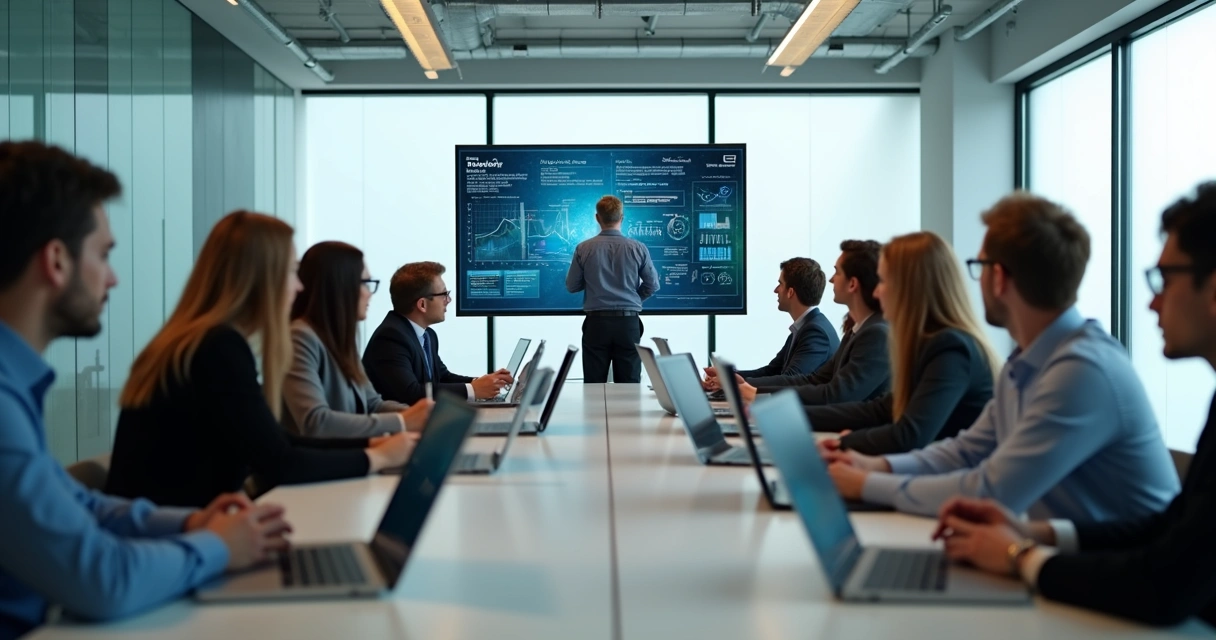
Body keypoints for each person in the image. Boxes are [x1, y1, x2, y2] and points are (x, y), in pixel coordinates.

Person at [0, 141, 291, 637]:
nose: (112, 278)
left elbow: (78, 505)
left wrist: (189, 524)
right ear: (56, 261)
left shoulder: (15, 387)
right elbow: (103, 579)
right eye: (103, 254)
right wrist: (220, 547)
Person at [933, 182, 1216, 628]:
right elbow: (1170, 529)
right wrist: (1034, 534)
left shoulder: (1083, 368)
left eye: (1165, 279)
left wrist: (1019, 556)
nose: (1151, 301)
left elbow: (1167, 584)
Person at [825, 193, 1180, 521]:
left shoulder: (1081, 370)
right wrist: (876, 467)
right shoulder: (1029, 362)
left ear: (998, 277)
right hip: (1081, 563)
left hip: (1122, 579)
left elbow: (992, 489)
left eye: (978, 267)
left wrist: (866, 484)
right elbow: (966, 451)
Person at [105, 212, 418, 509]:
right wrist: (378, 458)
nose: (298, 287)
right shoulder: (217, 349)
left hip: (180, 532)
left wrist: (369, 447)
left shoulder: (196, 342)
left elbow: (279, 441)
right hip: (175, 545)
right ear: (261, 279)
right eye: (292, 272)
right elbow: (281, 462)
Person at [806, 232, 999, 456]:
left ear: (910, 288)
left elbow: (909, 435)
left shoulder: (950, 348)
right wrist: (795, 417)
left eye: (884, 281)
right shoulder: (931, 343)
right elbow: (882, 410)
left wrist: (844, 443)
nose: (877, 292)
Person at [282, 241, 433, 439]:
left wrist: (424, 414)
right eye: (365, 283)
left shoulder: (340, 340)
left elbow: (372, 404)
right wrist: (404, 421)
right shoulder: (300, 338)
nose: (370, 293)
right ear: (340, 286)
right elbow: (316, 422)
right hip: (321, 465)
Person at [728, 240, 890, 406]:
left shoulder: (874, 333)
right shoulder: (854, 331)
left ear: (853, 283)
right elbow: (814, 380)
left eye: (837, 272)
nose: (832, 280)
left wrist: (761, 395)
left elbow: (835, 395)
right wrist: (748, 387)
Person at [363, 261, 511, 405]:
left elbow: (442, 378)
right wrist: (473, 389)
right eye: (444, 294)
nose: (449, 300)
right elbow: (410, 393)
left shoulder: (427, 336)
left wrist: (484, 383)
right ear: (422, 304)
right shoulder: (390, 338)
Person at [565, 195, 660, 383]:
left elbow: (572, 286)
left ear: (597, 218)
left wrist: (594, 280)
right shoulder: (638, 248)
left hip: (596, 325)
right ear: (621, 218)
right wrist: (632, 300)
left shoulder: (583, 248)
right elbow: (653, 285)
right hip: (628, 324)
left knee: (593, 385)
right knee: (630, 386)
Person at [702, 258, 838, 386]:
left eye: (780, 284)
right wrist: (728, 376)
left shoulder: (815, 332)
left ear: (790, 292)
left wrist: (734, 384)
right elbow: (771, 371)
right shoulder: (804, 327)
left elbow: (790, 379)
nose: (775, 290)